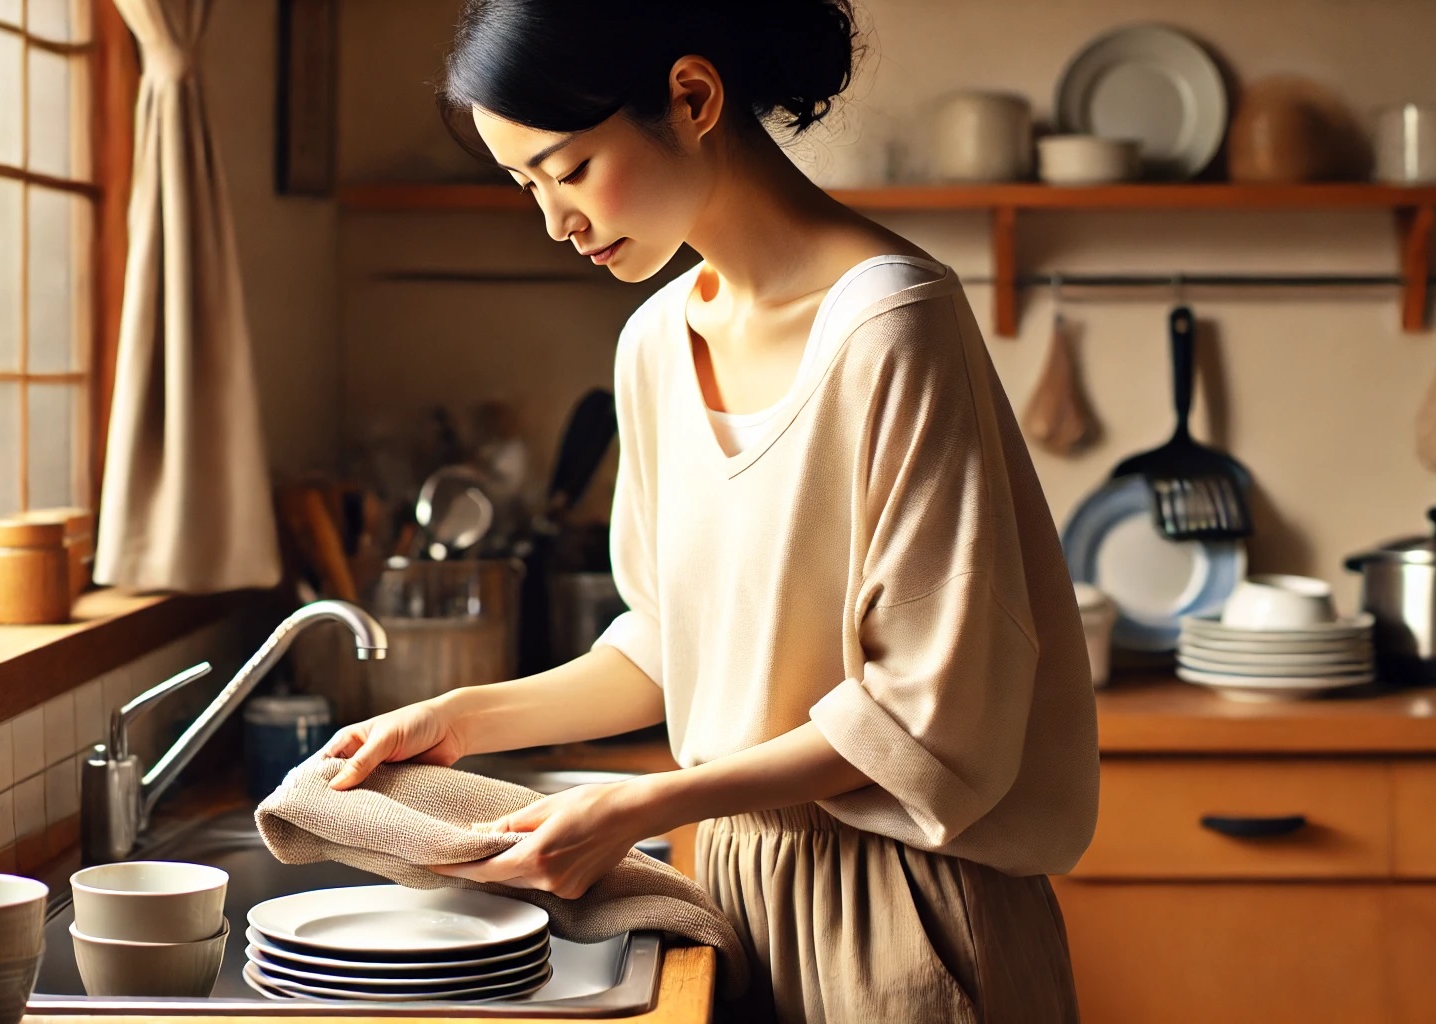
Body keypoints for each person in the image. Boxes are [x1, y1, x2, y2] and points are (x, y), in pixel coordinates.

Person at [319, 2, 1101, 1020]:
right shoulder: (650, 344)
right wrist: (457, 720)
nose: (556, 221)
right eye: (526, 186)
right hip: (729, 886)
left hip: (902, 906)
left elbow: (924, 712)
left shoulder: (892, 329)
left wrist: (645, 801)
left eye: (568, 169)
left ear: (691, 98)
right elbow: (663, 649)